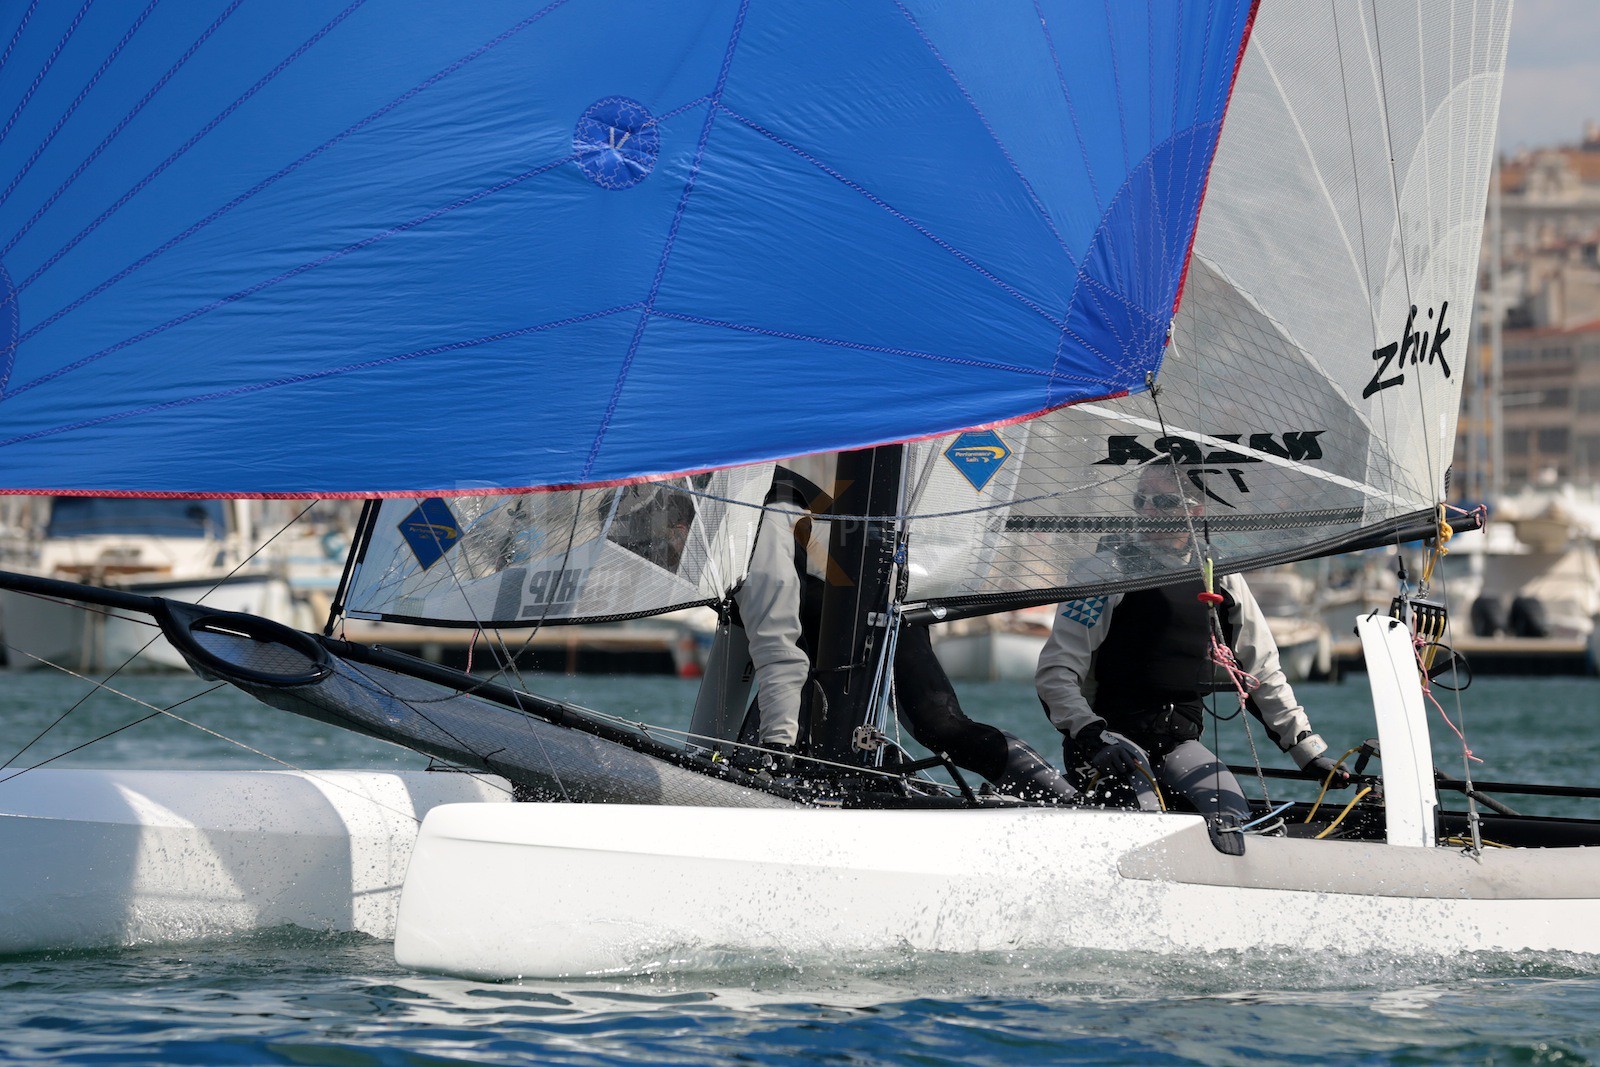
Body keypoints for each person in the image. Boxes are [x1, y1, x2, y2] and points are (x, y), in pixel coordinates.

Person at [1035, 462, 1349, 850]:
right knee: (1147, 828)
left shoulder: (1220, 576)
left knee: (1234, 825)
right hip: (1109, 744)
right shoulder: (1103, 572)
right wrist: (1091, 734)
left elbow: (1262, 670)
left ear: (1195, 511)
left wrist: (1308, 752)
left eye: (1163, 502)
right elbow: (1056, 671)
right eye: (1141, 500)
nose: (1148, 510)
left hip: (1179, 742)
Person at [736, 454, 1076, 803]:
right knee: (789, 724)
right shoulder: (750, 513)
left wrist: (775, 750)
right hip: (839, 632)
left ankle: (1064, 801)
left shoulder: (761, 521)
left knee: (941, 726)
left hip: (873, 613)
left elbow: (777, 648)